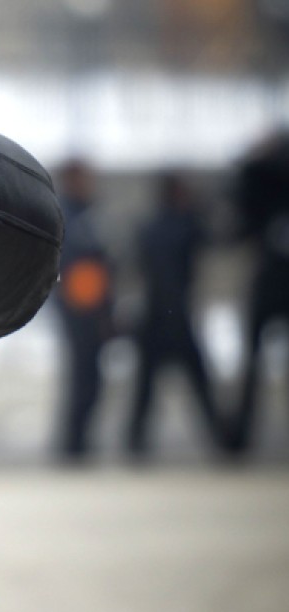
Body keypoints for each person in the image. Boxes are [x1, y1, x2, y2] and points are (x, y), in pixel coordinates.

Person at [125, 170, 229, 459]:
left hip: (154, 315)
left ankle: (135, 445)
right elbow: (215, 237)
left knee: (145, 390)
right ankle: (224, 443)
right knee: (199, 385)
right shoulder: (187, 225)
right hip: (177, 316)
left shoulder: (147, 228)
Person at [227, 130, 289, 455]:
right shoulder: (262, 176)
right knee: (252, 361)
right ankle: (240, 438)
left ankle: (240, 438)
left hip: (269, 279)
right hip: (269, 279)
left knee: (253, 361)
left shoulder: (262, 174)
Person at [51, 157, 115, 462]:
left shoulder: (82, 215)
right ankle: (74, 446)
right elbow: (80, 269)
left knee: (88, 378)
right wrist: (93, 313)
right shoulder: (71, 217)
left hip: (87, 308)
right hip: (82, 310)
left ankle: (77, 444)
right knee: (84, 378)